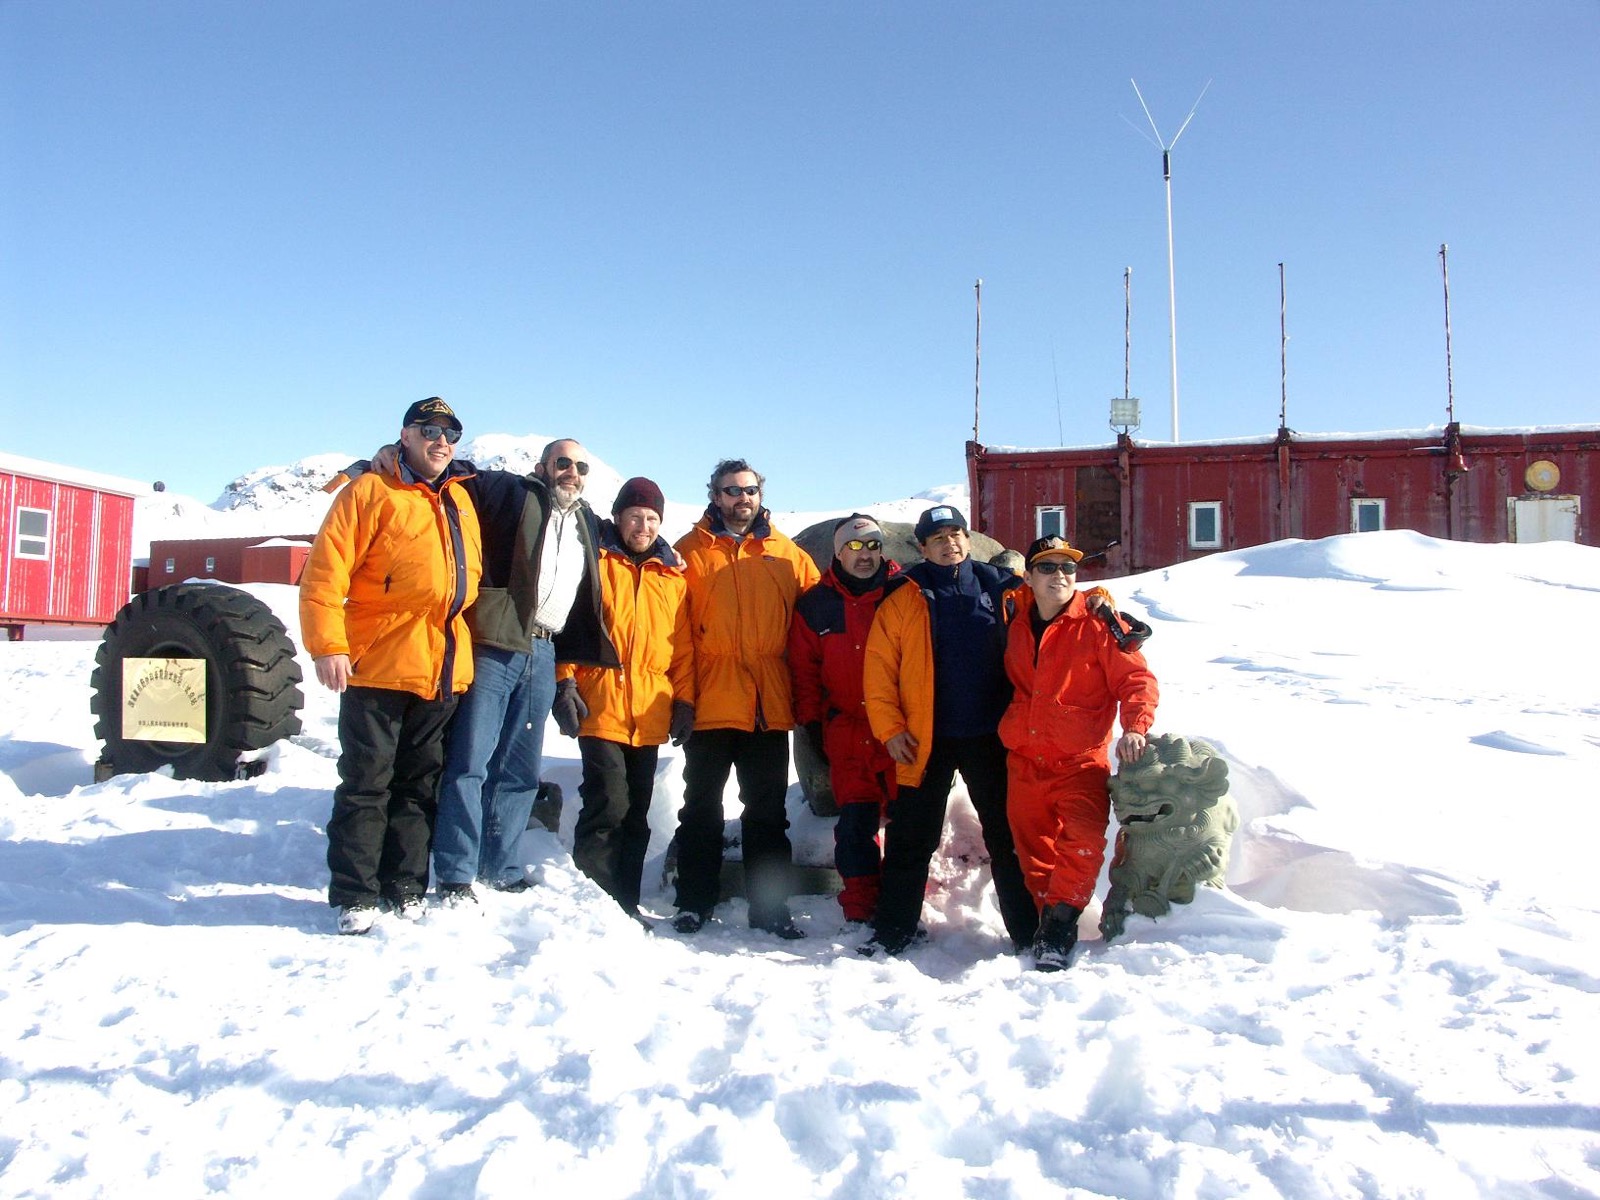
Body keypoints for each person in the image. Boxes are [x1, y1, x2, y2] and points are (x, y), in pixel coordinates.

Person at [364, 436, 619, 902]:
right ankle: (458, 872)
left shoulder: (584, 520)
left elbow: (633, 536)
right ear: (542, 466)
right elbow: (444, 468)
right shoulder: (509, 491)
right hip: (495, 644)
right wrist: (393, 454)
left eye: (581, 467)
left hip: (543, 652)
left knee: (519, 769)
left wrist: (666, 550)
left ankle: (500, 865)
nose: (572, 473)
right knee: (470, 762)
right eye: (563, 463)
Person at [300, 397, 483, 934]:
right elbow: (323, 576)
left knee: (419, 784)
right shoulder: (369, 491)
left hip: (441, 666)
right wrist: (327, 645)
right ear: (404, 435)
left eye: (450, 433)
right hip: (378, 662)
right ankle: (355, 893)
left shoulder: (460, 499)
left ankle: (404, 884)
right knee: (366, 783)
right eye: (429, 430)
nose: (441, 441)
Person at [860, 503, 1037, 956]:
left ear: (968, 538)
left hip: (991, 736)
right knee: (911, 837)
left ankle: (1027, 931)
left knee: (1006, 834)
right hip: (924, 738)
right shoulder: (904, 594)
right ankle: (894, 931)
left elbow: (1062, 602)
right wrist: (891, 729)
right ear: (922, 547)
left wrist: (1104, 604)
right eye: (938, 538)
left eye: (956, 534)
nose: (949, 544)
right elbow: (879, 671)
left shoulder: (1004, 588)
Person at [670, 458, 821, 938]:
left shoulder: (786, 554)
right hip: (711, 703)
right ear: (714, 496)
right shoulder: (688, 552)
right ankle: (694, 901)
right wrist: (682, 699)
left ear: (760, 493)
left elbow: (822, 610)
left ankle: (770, 908)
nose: (742, 499)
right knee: (700, 809)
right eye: (731, 490)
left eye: (749, 490)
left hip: (767, 705)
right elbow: (676, 636)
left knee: (767, 814)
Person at [1000, 535, 1159, 971]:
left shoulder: (1099, 623)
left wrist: (1135, 728)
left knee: (1083, 843)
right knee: (1034, 852)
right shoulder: (1012, 615)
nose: (1060, 576)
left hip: (1080, 760)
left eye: (1068, 567)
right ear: (1029, 576)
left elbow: (1137, 682)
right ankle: (1044, 921)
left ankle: (1060, 925)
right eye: (1048, 567)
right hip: (1024, 760)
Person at [552, 477, 696, 918]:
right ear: (618, 517)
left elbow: (682, 646)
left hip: (650, 710)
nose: (644, 525)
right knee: (607, 804)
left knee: (636, 812)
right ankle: (596, 907)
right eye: (635, 516)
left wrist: (685, 701)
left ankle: (625, 903)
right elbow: (569, 623)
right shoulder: (594, 561)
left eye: (652, 518)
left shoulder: (672, 576)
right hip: (600, 703)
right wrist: (565, 681)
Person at [788, 513, 904, 924]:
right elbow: (804, 673)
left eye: (873, 545)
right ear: (838, 553)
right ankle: (859, 910)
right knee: (855, 827)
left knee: (908, 826)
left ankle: (900, 909)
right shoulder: (816, 605)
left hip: (899, 731)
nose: (864, 554)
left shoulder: (904, 593)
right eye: (854, 547)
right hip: (848, 730)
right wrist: (813, 724)